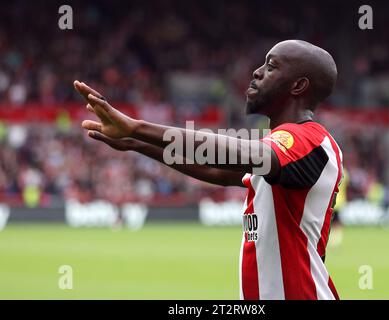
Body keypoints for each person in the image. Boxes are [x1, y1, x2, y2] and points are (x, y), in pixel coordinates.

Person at [74, 39, 343, 300]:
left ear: (298, 85)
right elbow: (216, 171)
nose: (257, 72)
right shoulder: (282, 150)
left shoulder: (309, 141)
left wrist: (138, 127)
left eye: (271, 66)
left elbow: (242, 154)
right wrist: (136, 143)